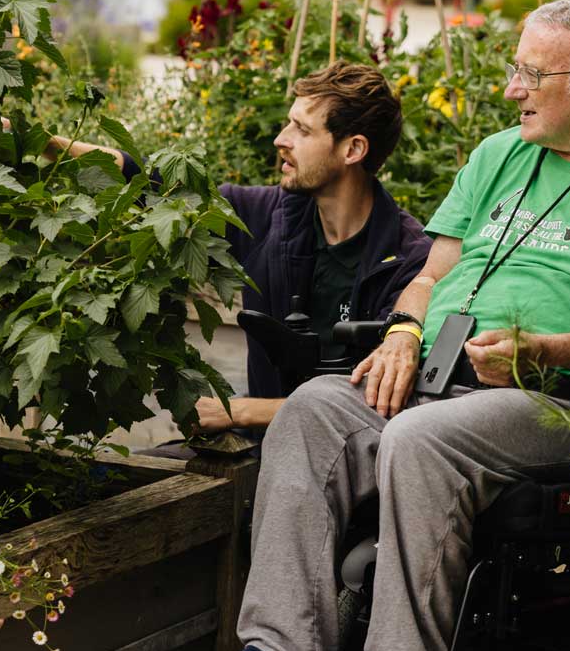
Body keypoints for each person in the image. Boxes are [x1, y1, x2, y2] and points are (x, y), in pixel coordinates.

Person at [160, 0, 570, 651]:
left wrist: (543, 349)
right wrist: (402, 331)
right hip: (444, 373)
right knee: (315, 409)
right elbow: (431, 273)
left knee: (419, 438)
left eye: (530, 73)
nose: (511, 89)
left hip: (564, 403)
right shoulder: (499, 156)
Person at [48, 62, 431, 438]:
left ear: (353, 150)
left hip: (346, 462)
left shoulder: (409, 261)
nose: (281, 138)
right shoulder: (271, 217)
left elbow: (377, 397)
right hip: (258, 447)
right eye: (288, 122)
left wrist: (241, 412)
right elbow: (148, 182)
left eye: (301, 129)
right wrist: (44, 144)